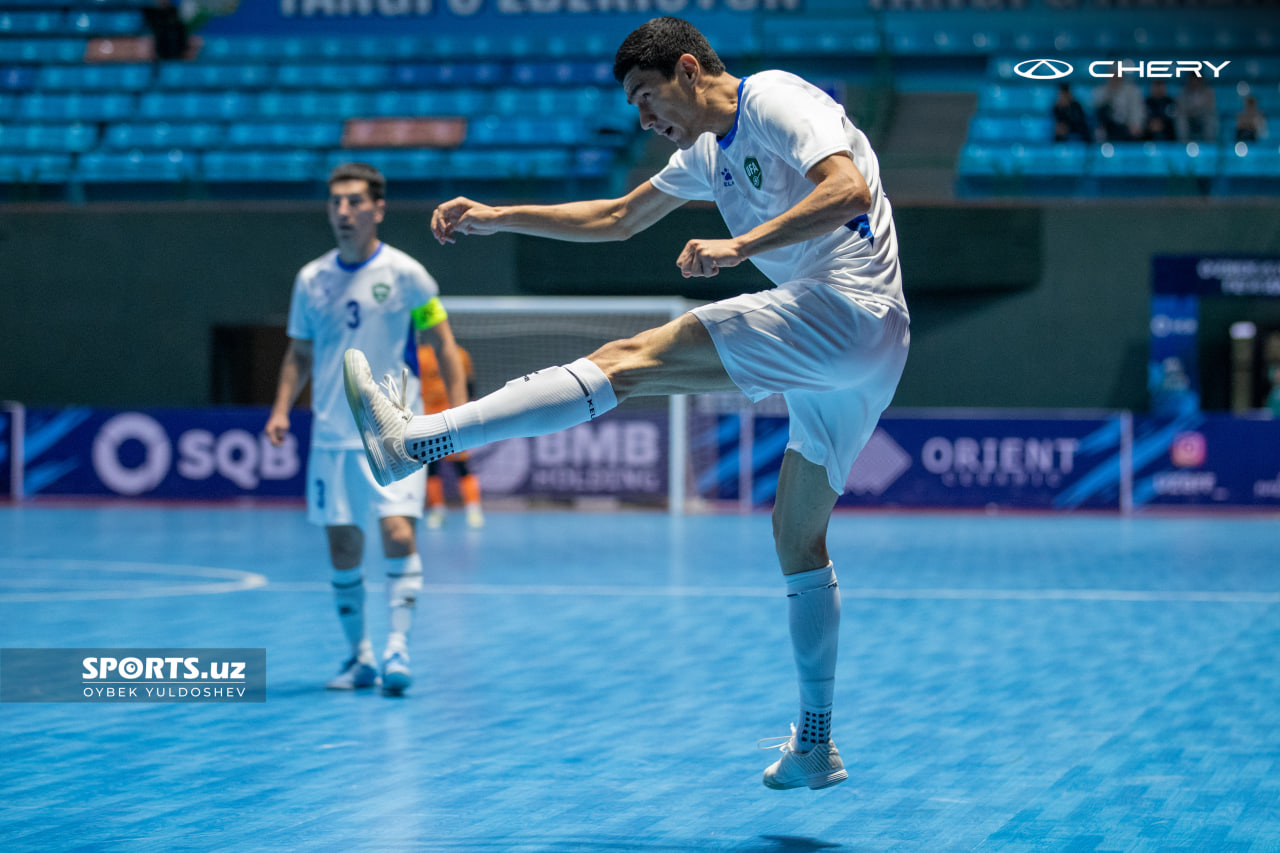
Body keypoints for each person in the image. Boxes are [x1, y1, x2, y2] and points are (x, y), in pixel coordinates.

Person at [343, 16, 909, 790]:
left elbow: (844, 187)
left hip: (847, 311)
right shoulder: (702, 154)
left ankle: (418, 440)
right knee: (797, 536)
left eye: (647, 98)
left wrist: (738, 249)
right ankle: (817, 741)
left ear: (686, 69)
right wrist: (497, 215)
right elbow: (616, 216)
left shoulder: (773, 98)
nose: (644, 119)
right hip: (866, 354)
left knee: (631, 359)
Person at [266, 162, 468, 695]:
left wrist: (463, 413)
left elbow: (442, 344)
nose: (344, 211)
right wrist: (281, 408)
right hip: (333, 437)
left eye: (355, 201)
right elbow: (300, 353)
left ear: (377, 208)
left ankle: (398, 647)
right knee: (343, 549)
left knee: (398, 532)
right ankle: (359, 658)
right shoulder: (311, 280)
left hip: (398, 432)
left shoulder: (408, 275)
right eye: (336, 202)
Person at [418, 342, 484, 529]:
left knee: (461, 466)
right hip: (429, 418)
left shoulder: (459, 354)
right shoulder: (421, 355)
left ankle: (473, 509)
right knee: (432, 467)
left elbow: (469, 384)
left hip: (453, 417)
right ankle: (438, 511)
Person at [1092, 73, 1144, 142]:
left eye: (1117, 74)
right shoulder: (1101, 90)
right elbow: (1097, 109)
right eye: (1112, 74)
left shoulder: (1132, 90)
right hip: (1109, 127)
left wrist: (1135, 124)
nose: (1115, 77)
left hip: (1127, 127)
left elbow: (1137, 111)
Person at [1176, 74, 1218, 143]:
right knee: (1180, 119)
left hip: (1203, 118)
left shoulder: (1209, 92)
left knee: (1211, 119)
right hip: (1189, 118)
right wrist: (1193, 109)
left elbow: (1210, 108)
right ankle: (1183, 144)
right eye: (1193, 80)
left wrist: (1197, 108)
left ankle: (1210, 144)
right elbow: (1181, 108)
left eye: (1197, 80)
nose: (1194, 82)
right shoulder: (1183, 92)